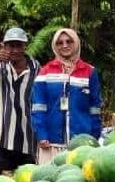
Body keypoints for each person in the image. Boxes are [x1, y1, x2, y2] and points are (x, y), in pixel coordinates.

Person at [32, 27, 101, 161]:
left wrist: (94, 136)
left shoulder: (90, 71)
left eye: (69, 41)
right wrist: (41, 134)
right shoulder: (45, 72)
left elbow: (95, 107)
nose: (64, 45)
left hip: (82, 143)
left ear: (76, 43)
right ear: (55, 46)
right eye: (60, 42)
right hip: (51, 142)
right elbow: (38, 106)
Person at [0, 26, 39, 176]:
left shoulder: (35, 67)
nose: (15, 50)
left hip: (28, 132)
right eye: (11, 46)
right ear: (4, 46)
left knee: (27, 176)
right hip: (4, 132)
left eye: (19, 45)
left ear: (25, 46)